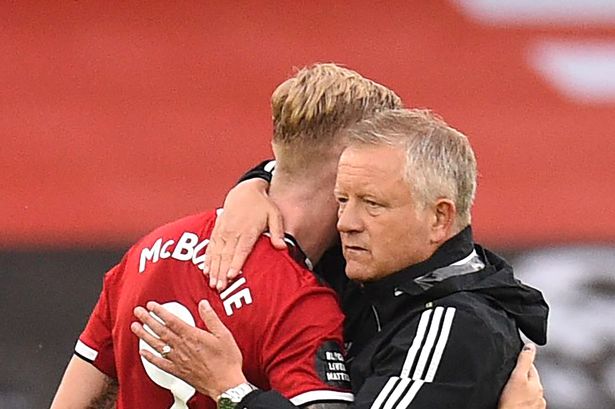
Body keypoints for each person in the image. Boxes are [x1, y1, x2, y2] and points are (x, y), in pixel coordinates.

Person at [133, 108, 549, 408]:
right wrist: (252, 187)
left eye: (372, 204)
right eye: (342, 199)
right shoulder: (380, 268)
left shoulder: (456, 326)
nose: (346, 222)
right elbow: (300, 172)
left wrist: (232, 392)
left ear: (440, 218)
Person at [50, 63, 403, 409]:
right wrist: (235, 393)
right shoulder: (300, 302)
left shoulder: (148, 251)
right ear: (347, 164)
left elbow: (74, 400)